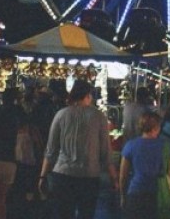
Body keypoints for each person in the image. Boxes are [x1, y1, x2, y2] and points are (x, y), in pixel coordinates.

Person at [38, 79, 117, 219]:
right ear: (87, 96)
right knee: (86, 214)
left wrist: (43, 176)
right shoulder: (98, 116)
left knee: (64, 214)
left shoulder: (61, 114)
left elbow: (51, 150)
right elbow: (106, 152)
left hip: (62, 175)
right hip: (89, 176)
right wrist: (113, 177)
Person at [119, 111, 170, 218]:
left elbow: (123, 175)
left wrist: (123, 196)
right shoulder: (167, 147)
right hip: (158, 193)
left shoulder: (130, 145)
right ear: (156, 128)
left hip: (136, 192)